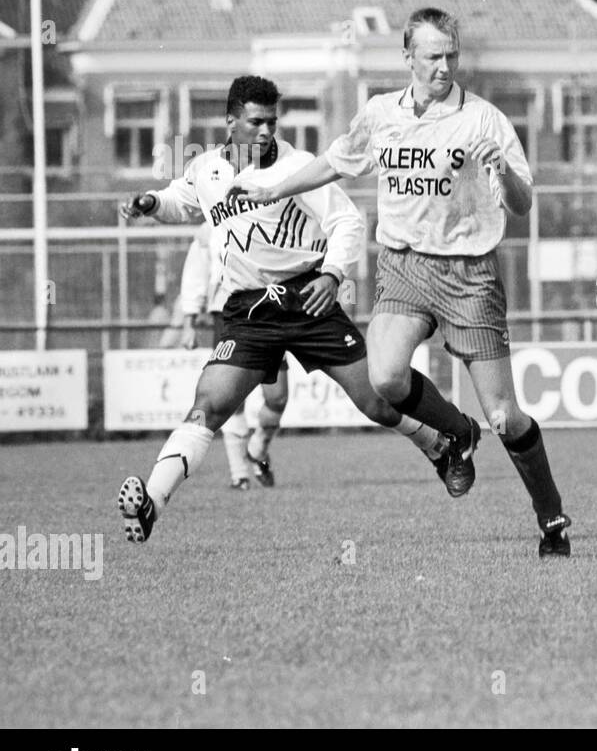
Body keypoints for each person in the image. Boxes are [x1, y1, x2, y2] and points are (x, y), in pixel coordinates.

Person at [227, 8, 573, 558]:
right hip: (404, 266)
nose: (444, 66)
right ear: (407, 57)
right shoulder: (381, 113)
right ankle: (457, 434)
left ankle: (550, 516)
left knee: (506, 417)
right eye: (433, 56)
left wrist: (500, 173)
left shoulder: (483, 121)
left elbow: (524, 205)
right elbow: (334, 162)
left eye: (451, 56)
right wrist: (273, 192)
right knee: (384, 378)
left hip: (469, 274)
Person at [114, 75, 449, 543]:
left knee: (376, 399)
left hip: (307, 297)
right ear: (231, 122)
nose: (267, 131)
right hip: (249, 310)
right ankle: (151, 502)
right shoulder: (207, 169)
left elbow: (347, 221)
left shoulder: (298, 168)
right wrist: (152, 202)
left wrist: (332, 274)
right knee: (207, 406)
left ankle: (437, 444)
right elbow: (182, 201)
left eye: (273, 121)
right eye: (256, 122)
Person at [177, 222, 290, 490]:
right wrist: (188, 324)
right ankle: (239, 475)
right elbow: (194, 274)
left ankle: (257, 450)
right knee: (230, 396)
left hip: (269, 309)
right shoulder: (208, 230)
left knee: (278, 398)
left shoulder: (269, 212)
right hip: (226, 314)